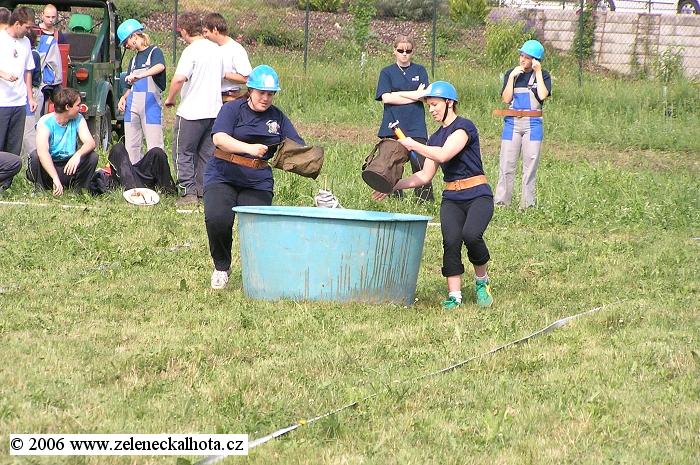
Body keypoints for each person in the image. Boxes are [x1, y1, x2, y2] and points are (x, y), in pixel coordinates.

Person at [373, 81, 495, 309]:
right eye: (429, 106)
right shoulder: (435, 138)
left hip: (478, 195)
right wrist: (392, 185)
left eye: (435, 104)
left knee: (471, 235)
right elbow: (424, 176)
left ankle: (482, 281)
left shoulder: (464, 127)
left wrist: (413, 145)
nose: (431, 110)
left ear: (449, 103)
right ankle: (455, 296)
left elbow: (444, 154)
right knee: (451, 241)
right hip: (452, 199)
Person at [204, 65, 305, 290]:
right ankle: (221, 267)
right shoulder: (232, 109)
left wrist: (309, 159)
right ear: (250, 90)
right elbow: (219, 139)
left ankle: (257, 274)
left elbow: (297, 145)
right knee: (218, 219)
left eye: (271, 94)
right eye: (261, 93)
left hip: (257, 180)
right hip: (223, 174)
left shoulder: (277, 117)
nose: (266, 98)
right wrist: (249, 148)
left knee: (256, 229)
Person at [164, 12, 224, 207]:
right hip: (214, 112)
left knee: (183, 153)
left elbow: (179, 79)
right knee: (206, 155)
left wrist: (170, 99)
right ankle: (202, 193)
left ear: (183, 30)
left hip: (191, 112)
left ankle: (187, 193)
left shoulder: (191, 51)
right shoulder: (216, 49)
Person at [493, 39, 551, 209]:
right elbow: (506, 99)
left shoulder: (543, 75)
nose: (522, 59)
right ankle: (502, 203)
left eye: (527, 57)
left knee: (530, 165)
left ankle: (527, 206)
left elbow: (543, 95)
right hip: (512, 124)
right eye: (521, 56)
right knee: (506, 164)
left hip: (533, 125)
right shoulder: (511, 74)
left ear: (535, 60)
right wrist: (511, 78)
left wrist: (538, 72)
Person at [375, 34, 432, 202]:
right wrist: (414, 94)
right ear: (394, 51)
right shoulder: (386, 72)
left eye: (408, 51)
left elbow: (425, 96)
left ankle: (423, 200)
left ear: (413, 51)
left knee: (420, 164)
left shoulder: (420, 70)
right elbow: (386, 98)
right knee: (391, 165)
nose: (404, 54)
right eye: (400, 50)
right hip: (392, 126)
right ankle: (394, 199)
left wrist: (398, 94)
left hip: (416, 127)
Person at [26, 87, 98, 195]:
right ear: (67, 107)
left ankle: (80, 191)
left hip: (68, 166)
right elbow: (43, 152)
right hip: (50, 167)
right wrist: (55, 177)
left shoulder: (79, 118)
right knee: (35, 156)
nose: (80, 108)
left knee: (92, 156)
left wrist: (77, 155)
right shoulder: (45, 122)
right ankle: (40, 189)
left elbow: (90, 143)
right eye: (78, 105)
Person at [117, 19, 167, 164]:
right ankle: (133, 174)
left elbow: (160, 67)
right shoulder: (133, 60)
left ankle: (156, 175)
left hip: (150, 106)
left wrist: (141, 75)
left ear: (134, 36)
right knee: (131, 147)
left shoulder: (154, 52)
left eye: (126, 42)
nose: (126, 46)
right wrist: (123, 98)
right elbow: (130, 86)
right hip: (132, 107)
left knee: (154, 146)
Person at [0, 6, 37, 191]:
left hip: (19, 102)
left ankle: (6, 185)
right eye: (27, 27)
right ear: (17, 23)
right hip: (2, 102)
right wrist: (3, 74)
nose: (29, 31)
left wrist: (30, 97)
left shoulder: (26, 43)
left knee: (14, 146)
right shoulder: (1, 39)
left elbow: (28, 70)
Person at [203, 12, 252, 103]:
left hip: (229, 100)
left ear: (215, 29)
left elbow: (246, 78)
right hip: (211, 99)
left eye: (206, 32)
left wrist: (223, 74)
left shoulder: (236, 50)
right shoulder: (210, 48)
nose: (204, 36)